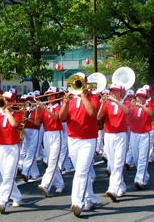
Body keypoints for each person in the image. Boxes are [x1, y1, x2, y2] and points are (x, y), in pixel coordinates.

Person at [59, 72, 100, 217]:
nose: (78, 86)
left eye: (81, 83)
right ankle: (91, 199)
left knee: (81, 172)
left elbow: (91, 113)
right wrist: (65, 102)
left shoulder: (93, 97)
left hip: (88, 139)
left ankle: (77, 202)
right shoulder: (70, 99)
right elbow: (61, 117)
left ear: (86, 85)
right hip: (73, 138)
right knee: (82, 171)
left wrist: (82, 95)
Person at [0, 91, 23, 213]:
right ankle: (16, 197)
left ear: (11, 102)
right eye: (3, 101)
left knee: (8, 176)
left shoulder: (17, 113)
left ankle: (2, 201)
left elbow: (14, 124)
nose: (4, 103)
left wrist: (7, 111)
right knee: (6, 176)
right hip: (0, 147)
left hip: (12, 148)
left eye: (6, 101)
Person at [97, 83, 130, 202]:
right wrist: (102, 104)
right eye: (111, 91)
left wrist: (115, 101)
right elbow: (99, 116)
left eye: (115, 91)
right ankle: (121, 186)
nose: (112, 93)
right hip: (109, 135)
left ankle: (113, 189)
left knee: (119, 162)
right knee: (112, 164)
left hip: (121, 134)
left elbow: (126, 111)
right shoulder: (107, 104)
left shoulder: (125, 103)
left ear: (121, 93)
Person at [35, 86, 65, 196]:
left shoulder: (60, 106)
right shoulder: (44, 108)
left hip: (57, 134)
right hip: (47, 135)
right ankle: (60, 184)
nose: (49, 97)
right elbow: (38, 123)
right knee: (51, 161)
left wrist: (44, 108)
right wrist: (38, 110)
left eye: (52, 95)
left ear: (57, 96)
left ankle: (45, 185)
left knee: (52, 161)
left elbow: (56, 117)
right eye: (48, 95)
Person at [128, 88, 153, 190]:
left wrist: (142, 106)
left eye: (141, 96)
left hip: (144, 134)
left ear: (145, 98)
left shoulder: (148, 106)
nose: (139, 98)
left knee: (143, 157)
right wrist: (131, 107)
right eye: (138, 96)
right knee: (136, 157)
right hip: (134, 134)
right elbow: (126, 115)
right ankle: (145, 175)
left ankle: (139, 180)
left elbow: (151, 114)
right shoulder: (133, 107)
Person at [20, 92, 40, 182]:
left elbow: (37, 124)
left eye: (32, 99)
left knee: (31, 153)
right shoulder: (27, 109)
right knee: (27, 152)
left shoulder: (38, 109)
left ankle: (25, 172)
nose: (30, 101)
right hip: (26, 131)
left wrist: (27, 119)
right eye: (29, 99)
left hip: (35, 131)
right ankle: (34, 173)